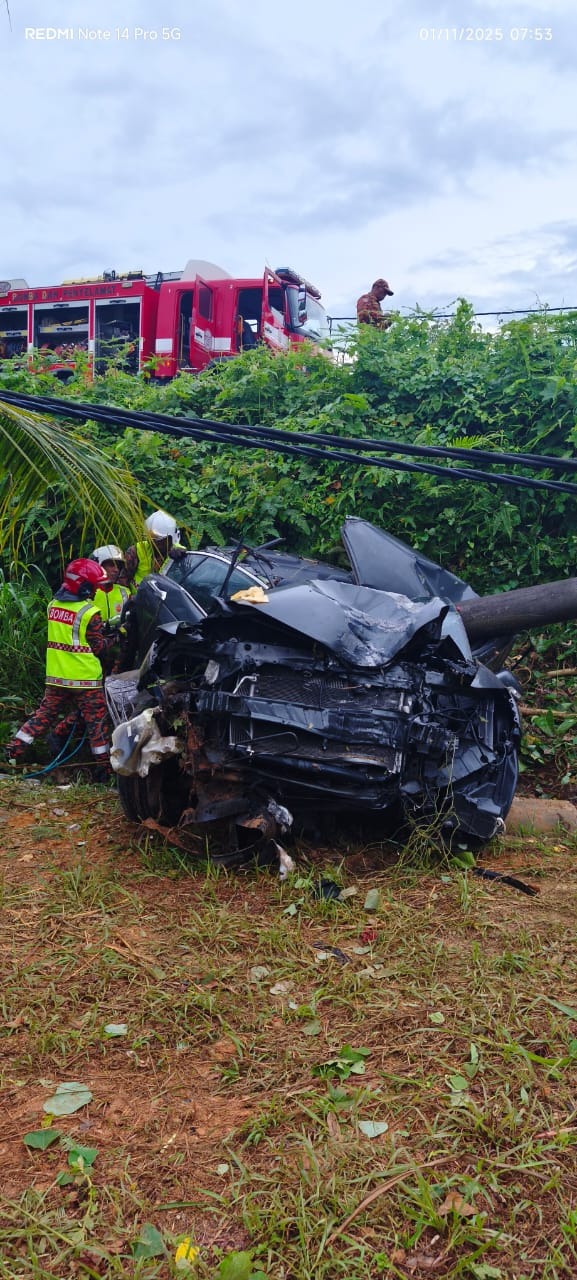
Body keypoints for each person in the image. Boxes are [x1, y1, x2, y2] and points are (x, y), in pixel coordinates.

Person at [5, 559, 114, 779]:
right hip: (86, 681)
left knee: (42, 717)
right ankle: (104, 770)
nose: (94, 591)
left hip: (57, 678)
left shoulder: (52, 606)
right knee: (97, 724)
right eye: (93, 586)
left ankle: (11, 753)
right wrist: (117, 636)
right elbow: (98, 646)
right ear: (84, 586)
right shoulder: (90, 611)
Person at [122, 510, 186, 589]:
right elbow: (122, 580)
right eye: (151, 540)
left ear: (171, 538)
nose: (154, 544)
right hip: (136, 598)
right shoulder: (137, 550)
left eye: (159, 540)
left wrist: (179, 560)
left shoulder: (181, 553)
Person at [91, 545, 131, 627]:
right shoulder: (87, 593)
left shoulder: (125, 592)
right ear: (98, 566)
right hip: (93, 638)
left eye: (118, 566)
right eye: (111, 565)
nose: (116, 570)